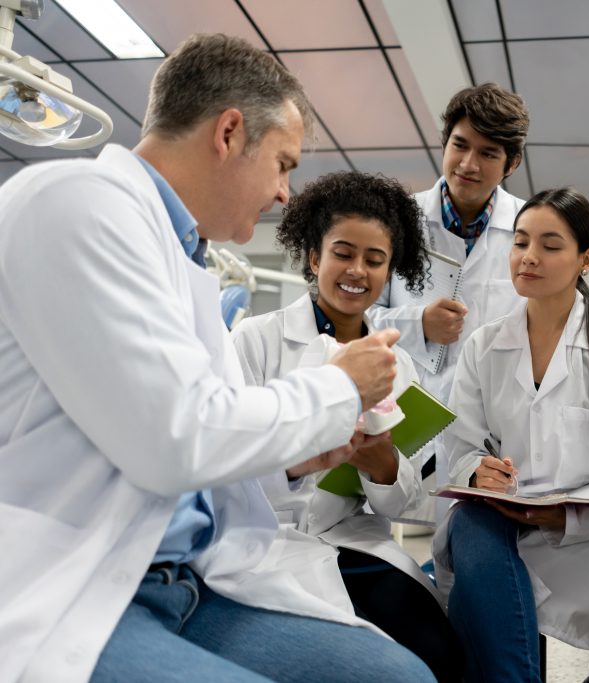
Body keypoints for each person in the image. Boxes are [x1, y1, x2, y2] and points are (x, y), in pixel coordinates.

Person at [0, 34, 434, 683]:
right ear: (230, 132)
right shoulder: (77, 203)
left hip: (192, 571)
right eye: (283, 163)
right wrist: (336, 389)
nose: (286, 193)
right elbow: (176, 435)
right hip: (79, 579)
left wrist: (297, 458)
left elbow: (199, 463)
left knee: (403, 676)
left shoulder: (180, 262)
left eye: (377, 260)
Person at [431, 187, 589, 682]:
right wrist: (479, 470)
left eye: (550, 245)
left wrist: (567, 514)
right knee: (469, 524)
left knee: (487, 599)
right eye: (520, 243)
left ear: (586, 259)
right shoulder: (484, 345)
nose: (529, 257)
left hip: (588, 539)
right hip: (504, 523)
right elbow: (460, 444)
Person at [231, 171, 462, 682]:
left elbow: (406, 504)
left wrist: (382, 468)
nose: (357, 270)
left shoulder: (396, 365)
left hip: (350, 539)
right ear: (314, 257)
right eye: (343, 253)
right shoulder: (255, 340)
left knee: (436, 650)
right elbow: (228, 454)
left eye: (375, 260)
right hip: (265, 539)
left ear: (389, 271)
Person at [366, 83, 530, 517]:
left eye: (489, 153)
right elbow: (357, 315)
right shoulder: (399, 220)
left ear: (511, 163)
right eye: (460, 145)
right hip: (410, 415)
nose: (469, 164)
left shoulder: (527, 229)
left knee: (474, 545)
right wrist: (417, 324)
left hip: (492, 429)